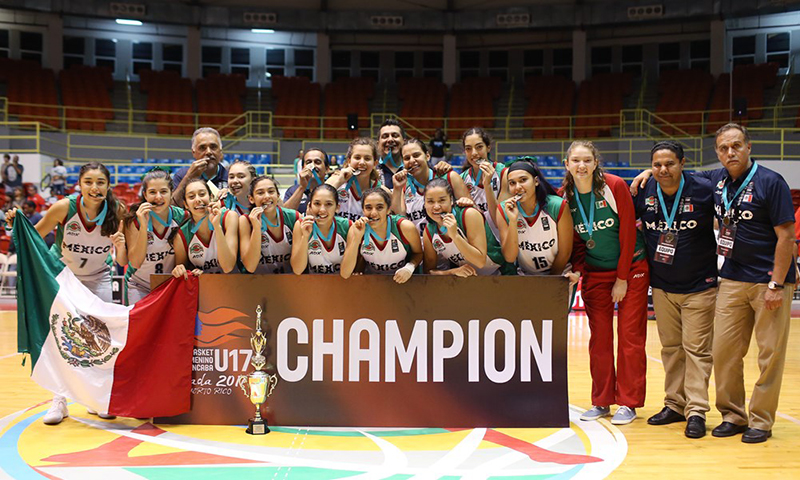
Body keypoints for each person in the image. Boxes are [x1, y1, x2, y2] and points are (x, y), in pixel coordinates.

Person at [632, 123, 796, 443]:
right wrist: (647, 172)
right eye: (723, 148)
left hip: (767, 283)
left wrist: (778, 282)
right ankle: (733, 414)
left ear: (749, 147)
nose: (730, 152)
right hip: (732, 277)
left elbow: (787, 235)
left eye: (736, 146)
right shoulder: (717, 180)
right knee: (724, 354)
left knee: (769, 355)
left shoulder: (770, 182)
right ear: (716, 153)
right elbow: (672, 170)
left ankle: (761, 420)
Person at [6, 161, 127, 425]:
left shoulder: (117, 211)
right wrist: (17, 224)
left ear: (108, 186)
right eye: (88, 182)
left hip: (98, 278)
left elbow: (125, 250)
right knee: (61, 338)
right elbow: (33, 239)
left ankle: (99, 399)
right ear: (79, 184)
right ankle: (59, 400)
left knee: (103, 340)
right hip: (63, 279)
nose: (94, 188)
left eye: (100, 183)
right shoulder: (65, 207)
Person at [632, 141, 717, 439]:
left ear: (682, 163)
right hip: (663, 286)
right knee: (671, 349)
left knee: (696, 351)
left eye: (669, 164)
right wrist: (646, 174)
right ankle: (674, 404)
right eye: (656, 165)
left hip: (700, 285)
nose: (663, 170)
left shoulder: (706, 188)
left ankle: (696, 410)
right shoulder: (644, 190)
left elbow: (733, 171)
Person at [563, 140, 649, 426]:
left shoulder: (614, 186)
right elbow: (576, 242)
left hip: (631, 268)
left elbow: (627, 232)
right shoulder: (567, 196)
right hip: (596, 274)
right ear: (567, 165)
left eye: (587, 160)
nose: (582, 165)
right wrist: (576, 270)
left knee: (630, 338)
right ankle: (601, 401)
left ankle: (629, 402)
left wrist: (622, 278)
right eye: (576, 160)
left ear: (595, 162)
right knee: (599, 340)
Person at [497, 159, 574, 277]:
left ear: (536, 181)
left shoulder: (557, 206)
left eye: (523, 180)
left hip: (560, 273)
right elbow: (509, 257)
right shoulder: (504, 210)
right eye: (512, 183)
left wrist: (550, 281)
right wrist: (513, 221)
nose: (518, 187)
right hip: (526, 276)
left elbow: (565, 252)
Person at [421, 178, 512, 276]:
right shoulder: (429, 231)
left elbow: (480, 261)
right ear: (425, 204)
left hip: (500, 274)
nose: (436, 206)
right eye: (430, 201)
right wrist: (452, 272)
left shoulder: (468, 214)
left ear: (451, 200)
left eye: (442, 200)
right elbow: (429, 271)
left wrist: (455, 236)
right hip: (468, 280)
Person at [124, 168, 186, 305]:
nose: (158, 197)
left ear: (171, 193)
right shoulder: (133, 220)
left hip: (169, 285)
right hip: (139, 286)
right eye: (152, 192)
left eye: (163, 192)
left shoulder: (182, 217)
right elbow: (135, 262)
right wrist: (143, 225)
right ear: (145, 195)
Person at [340, 188, 423, 283]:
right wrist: (356, 239)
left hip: (403, 281)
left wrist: (409, 267)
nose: (373, 213)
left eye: (379, 207)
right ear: (363, 210)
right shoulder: (357, 229)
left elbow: (418, 253)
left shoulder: (404, 227)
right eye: (368, 208)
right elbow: (345, 274)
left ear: (388, 210)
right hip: (372, 283)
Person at [391, 138, 469, 237]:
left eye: (416, 155)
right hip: (421, 247)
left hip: (452, 245)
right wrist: (397, 188)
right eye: (407, 158)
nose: (412, 160)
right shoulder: (403, 186)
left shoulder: (449, 177)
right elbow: (400, 219)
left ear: (427, 156)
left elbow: (470, 212)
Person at [173, 178, 239, 275]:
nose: (198, 200)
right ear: (186, 204)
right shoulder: (182, 234)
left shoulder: (229, 217)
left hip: (234, 285)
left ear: (211, 197)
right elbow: (184, 272)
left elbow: (228, 267)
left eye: (202, 194)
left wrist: (217, 226)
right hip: (203, 287)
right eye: (191, 197)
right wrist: (182, 271)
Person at [239, 176, 300, 274]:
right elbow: (250, 266)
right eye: (260, 193)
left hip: (290, 282)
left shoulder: (293, 217)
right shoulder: (245, 221)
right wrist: (256, 229)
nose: (267, 196)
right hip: (257, 283)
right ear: (251, 199)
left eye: (271, 191)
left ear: (278, 195)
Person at [290, 184, 351, 275]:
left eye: (328, 204)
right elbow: (297, 270)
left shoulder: (347, 226)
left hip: (342, 284)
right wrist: (305, 237)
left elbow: (349, 272)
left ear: (337, 208)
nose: (322, 210)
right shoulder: (301, 225)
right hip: (314, 285)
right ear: (310, 206)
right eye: (317, 204)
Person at [460, 127, 509, 235]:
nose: (474, 153)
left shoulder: (503, 173)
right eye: (468, 149)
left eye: (479, 147)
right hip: (477, 241)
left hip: (501, 240)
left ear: (488, 147)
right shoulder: (462, 179)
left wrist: (487, 185)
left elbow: (498, 221)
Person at [326, 137, 386, 222]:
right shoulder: (335, 181)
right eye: (357, 157)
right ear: (349, 161)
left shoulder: (382, 190)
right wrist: (339, 181)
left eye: (367, 158)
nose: (362, 162)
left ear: (375, 164)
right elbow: (316, 200)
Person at [172, 127, 228, 206]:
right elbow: (172, 207)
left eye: (213, 147)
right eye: (202, 148)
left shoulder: (231, 177)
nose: (208, 152)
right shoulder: (182, 175)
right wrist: (188, 178)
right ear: (193, 152)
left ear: (220, 151)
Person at [284, 148, 331, 214]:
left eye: (317, 162)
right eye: (308, 162)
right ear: (303, 168)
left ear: (327, 169)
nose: (313, 166)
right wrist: (302, 188)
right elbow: (284, 216)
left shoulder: (332, 191)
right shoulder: (292, 191)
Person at [377, 119, 405, 189]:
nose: (390, 140)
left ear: (404, 142)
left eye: (395, 135)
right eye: (385, 136)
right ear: (378, 144)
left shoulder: (414, 170)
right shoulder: (370, 172)